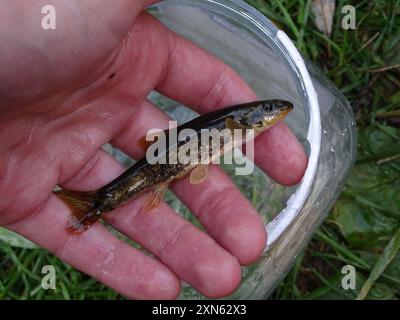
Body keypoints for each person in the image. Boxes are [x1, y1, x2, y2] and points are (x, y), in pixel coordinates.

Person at [0, 0, 307, 299]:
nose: (274, 111)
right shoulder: (238, 124)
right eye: (267, 109)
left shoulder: (239, 125)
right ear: (250, 118)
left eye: (268, 108)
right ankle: (96, 203)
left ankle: (95, 204)